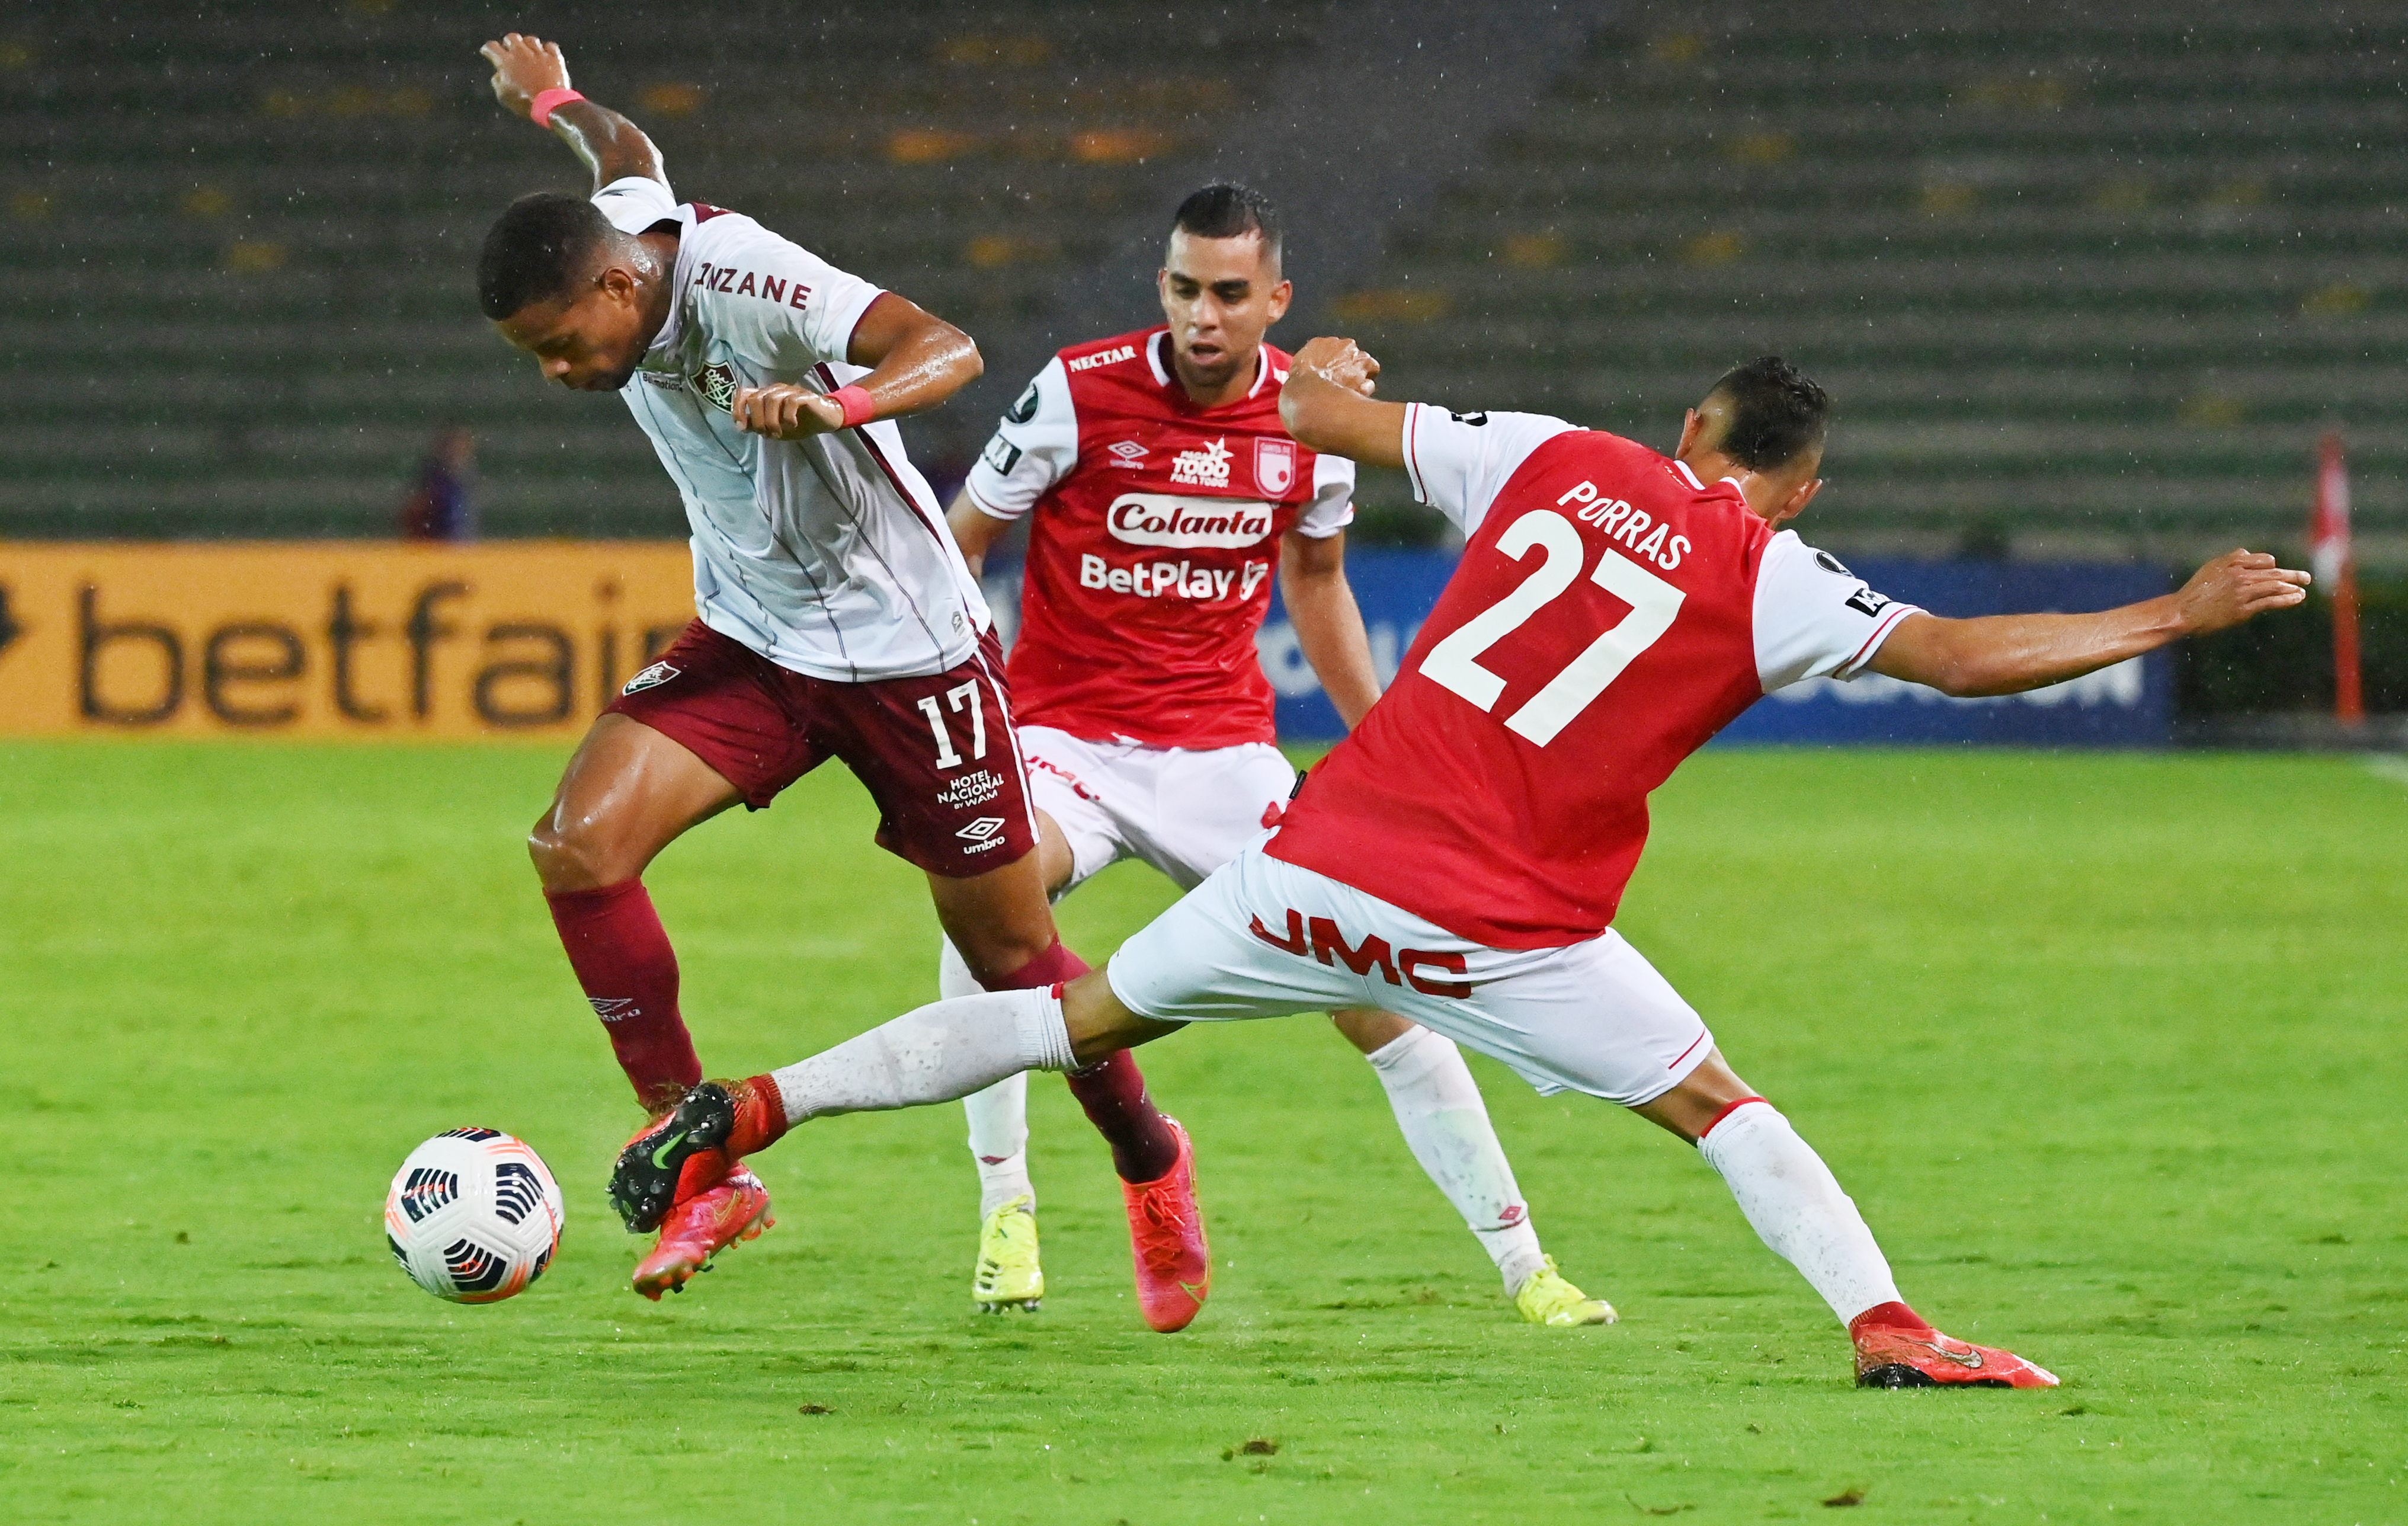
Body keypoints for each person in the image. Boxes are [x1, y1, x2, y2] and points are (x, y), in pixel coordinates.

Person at [611, 340, 2313, 1380]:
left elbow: (1313, 415)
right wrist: (2173, 609)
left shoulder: (1557, 453)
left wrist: (1320, 370)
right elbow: (1956, 656)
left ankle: (756, 1109)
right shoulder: (1780, 578)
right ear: (1788, 491)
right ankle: (1885, 1330)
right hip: (1511, 926)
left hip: (1322, 864)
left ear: (1686, 431)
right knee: (1720, 1105)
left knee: (1073, 1021)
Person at [472, 32, 1209, 1326]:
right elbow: (628, 156)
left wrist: (841, 408)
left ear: (612, 283)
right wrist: (557, 100)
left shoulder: (747, 277)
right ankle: (701, 1165)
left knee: (1016, 957)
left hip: (909, 656)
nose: (556, 373)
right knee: (576, 845)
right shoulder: (624, 224)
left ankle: (1148, 1152)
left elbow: (949, 344)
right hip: (755, 639)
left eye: (556, 342)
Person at [942, 183, 1608, 1326]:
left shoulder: (1311, 419)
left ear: (1274, 300)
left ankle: (1523, 1263)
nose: (1204, 315)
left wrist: (1387, 736)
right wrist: (965, 700)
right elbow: (961, 542)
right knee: (986, 887)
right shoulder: (1075, 388)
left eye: (1230, 294)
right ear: (1161, 287)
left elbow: (1315, 582)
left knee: (1376, 983)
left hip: (1223, 757)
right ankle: (1007, 1207)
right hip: (1064, 741)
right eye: (1185, 289)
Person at [399, 424, 478, 541]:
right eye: (456, 446)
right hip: (437, 550)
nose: (460, 451)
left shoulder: (465, 481)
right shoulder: (433, 483)